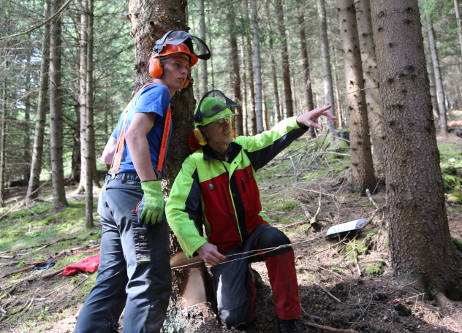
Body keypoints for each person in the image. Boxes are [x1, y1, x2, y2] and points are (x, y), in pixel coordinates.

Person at [165, 90, 336, 333]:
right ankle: (244, 277)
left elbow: (271, 137)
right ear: (202, 133)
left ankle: (288, 319)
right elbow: (176, 209)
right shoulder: (194, 164)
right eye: (219, 122)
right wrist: (199, 245)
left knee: (279, 242)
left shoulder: (243, 148)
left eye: (228, 120)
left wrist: (298, 121)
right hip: (225, 248)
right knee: (236, 320)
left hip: (256, 233)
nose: (227, 126)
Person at [74, 30, 210, 333]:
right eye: (175, 63)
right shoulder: (158, 92)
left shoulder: (135, 100)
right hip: (133, 191)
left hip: (112, 193)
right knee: (150, 282)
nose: (183, 70)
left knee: (112, 279)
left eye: (186, 66)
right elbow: (135, 136)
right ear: (157, 65)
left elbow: (109, 154)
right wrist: (149, 188)